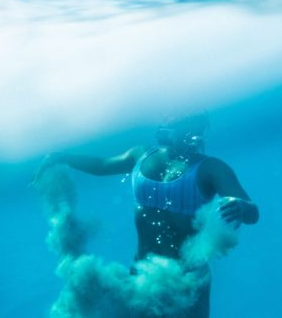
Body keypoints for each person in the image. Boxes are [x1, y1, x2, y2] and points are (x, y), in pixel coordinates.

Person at [33, 114, 259, 318]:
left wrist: (241, 207)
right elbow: (102, 165)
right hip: (141, 274)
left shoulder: (211, 168)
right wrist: (61, 157)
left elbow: (252, 211)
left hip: (188, 280)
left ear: (197, 130)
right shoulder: (140, 154)